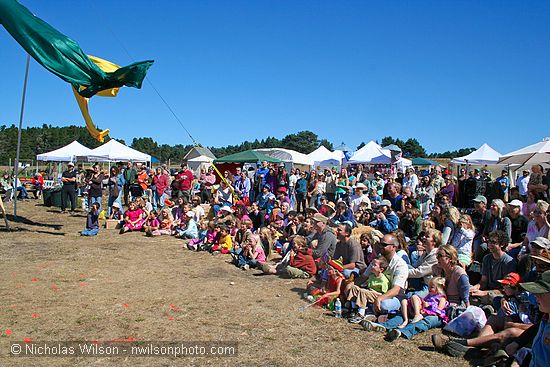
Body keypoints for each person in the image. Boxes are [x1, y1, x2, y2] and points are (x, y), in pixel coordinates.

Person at [470, 230, 517, 305]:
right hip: (488, 290)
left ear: (502, 244)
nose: (490, 245)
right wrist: (476, 287)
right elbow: (483, 281)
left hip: (500, 294)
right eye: (489, 242)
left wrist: (484, 293)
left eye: (494, 242)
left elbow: (506, 289)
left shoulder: (508, 262)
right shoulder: (486, 258)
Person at [345, 256, 390, 323]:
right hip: (369, 292)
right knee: (354, 287)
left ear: (381, 269)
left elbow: (384, 294)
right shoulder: (371, 276)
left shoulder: (383, 280)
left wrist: (373, 292)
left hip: (377, 295)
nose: (372, 266)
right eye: (372, 264)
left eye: (374, 265)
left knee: (363, 291)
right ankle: (354, 308)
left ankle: (361, 314)